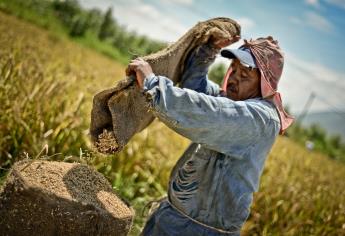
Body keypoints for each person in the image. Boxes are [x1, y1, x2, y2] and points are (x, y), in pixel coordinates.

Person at [126, 35, 294, 236]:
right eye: (234, 69)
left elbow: (205, 111)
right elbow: (194, 88)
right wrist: (208, 50)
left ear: (265, 83)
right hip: (174, 219)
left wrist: (152, 83)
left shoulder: (260, 118)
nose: (233, 78)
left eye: (245, 75)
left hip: (200, 231)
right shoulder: (232, 99)